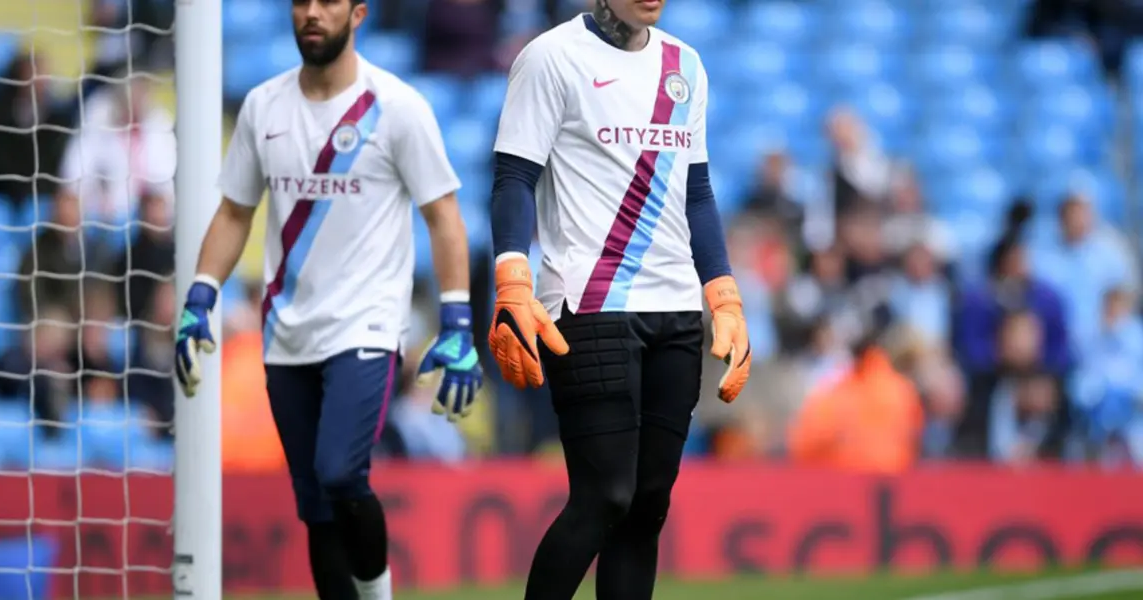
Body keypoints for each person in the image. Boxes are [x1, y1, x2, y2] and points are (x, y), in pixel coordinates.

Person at [172, 0, 483, 598]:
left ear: (358, 13)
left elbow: (444, 217)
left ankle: (378, 594)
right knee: (315, 505)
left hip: (366, 327)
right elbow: (235, 211)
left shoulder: (397, 107)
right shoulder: (263, 106)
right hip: (286, 331)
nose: (312, 13)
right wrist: (199, 298)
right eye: (301, 2)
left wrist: (456, 321)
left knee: (339, 472)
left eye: (328, 2)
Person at [486, 1, 751, 597]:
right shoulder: (551, 58)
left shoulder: (687, 65)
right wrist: (511, 280)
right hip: (589, 302)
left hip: (677, 308)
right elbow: (513, 178)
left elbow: (698, 193)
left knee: (648, 503)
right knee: (605, 495)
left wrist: (724, 295)